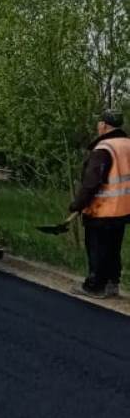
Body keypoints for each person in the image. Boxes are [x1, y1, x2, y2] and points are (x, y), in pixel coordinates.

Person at [69, 110, 130, 299]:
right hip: (123, 209)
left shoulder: (104, 148)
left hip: (102, 209)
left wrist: (77, 204)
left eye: (99, 122)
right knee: (113, 247)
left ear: (103, 125)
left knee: (97, 248)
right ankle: (112, 284)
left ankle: (95, 286)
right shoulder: (127, 144)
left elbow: (91, 182)